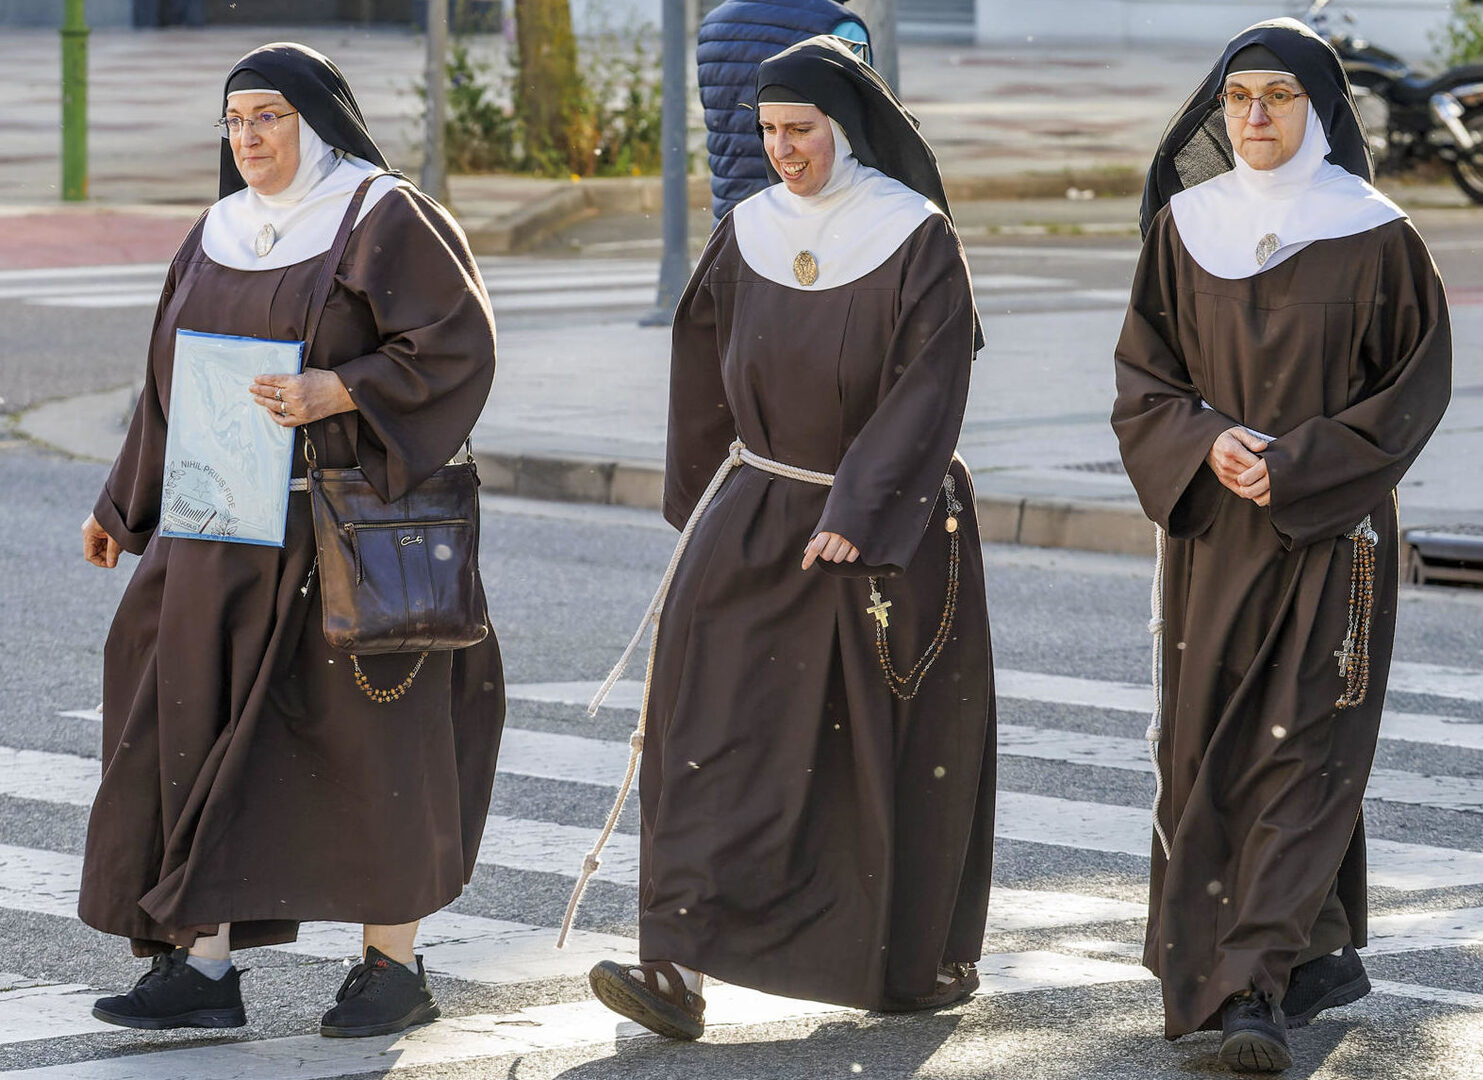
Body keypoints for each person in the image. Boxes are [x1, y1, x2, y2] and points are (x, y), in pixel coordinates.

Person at [78, 42, 506, 1038]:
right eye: (234, 121)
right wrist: (121, 508)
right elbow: (169, 384)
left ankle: (392, 969)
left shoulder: (381, 215)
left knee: (371, 747)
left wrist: (341, 388)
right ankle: (202, 967)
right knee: (192, 725)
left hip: (342, 533)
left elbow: (456, 345)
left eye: (268, 116)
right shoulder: (218, 230)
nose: (249, 138)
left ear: (315, 120)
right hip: (218, 526)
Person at [578, 35, 995, 1041]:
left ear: (843, 128)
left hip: (885, 533)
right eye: (766, 131)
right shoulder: (748, 231)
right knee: (705, 738)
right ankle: (673, 965)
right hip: (758, 513)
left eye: (798, 129)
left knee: (875, 755)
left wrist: (859, 511)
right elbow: (699, 375)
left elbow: (929, 386)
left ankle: (901, 960)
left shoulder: (913, 235)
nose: (781, 150)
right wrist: (706, 510)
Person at [1113, 18, 1450, 1073]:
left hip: (1331, 536)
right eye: (1237, 98)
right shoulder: (1185, 227)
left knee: (1301, 752)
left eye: (1279, 97)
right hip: (1214, 537)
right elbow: (1144, 377)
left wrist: (1299, 466)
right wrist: (1202, 442)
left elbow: (1413, 388)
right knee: (1212, 752)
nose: (1254, 116)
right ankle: (1315, 954)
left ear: (1321, 110)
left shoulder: (1376, 234)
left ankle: (1247, 989)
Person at [697, 0, 869, 219]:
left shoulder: (714, 24)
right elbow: (861, 124)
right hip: (820, 213)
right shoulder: (839, 25)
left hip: (733, 211)